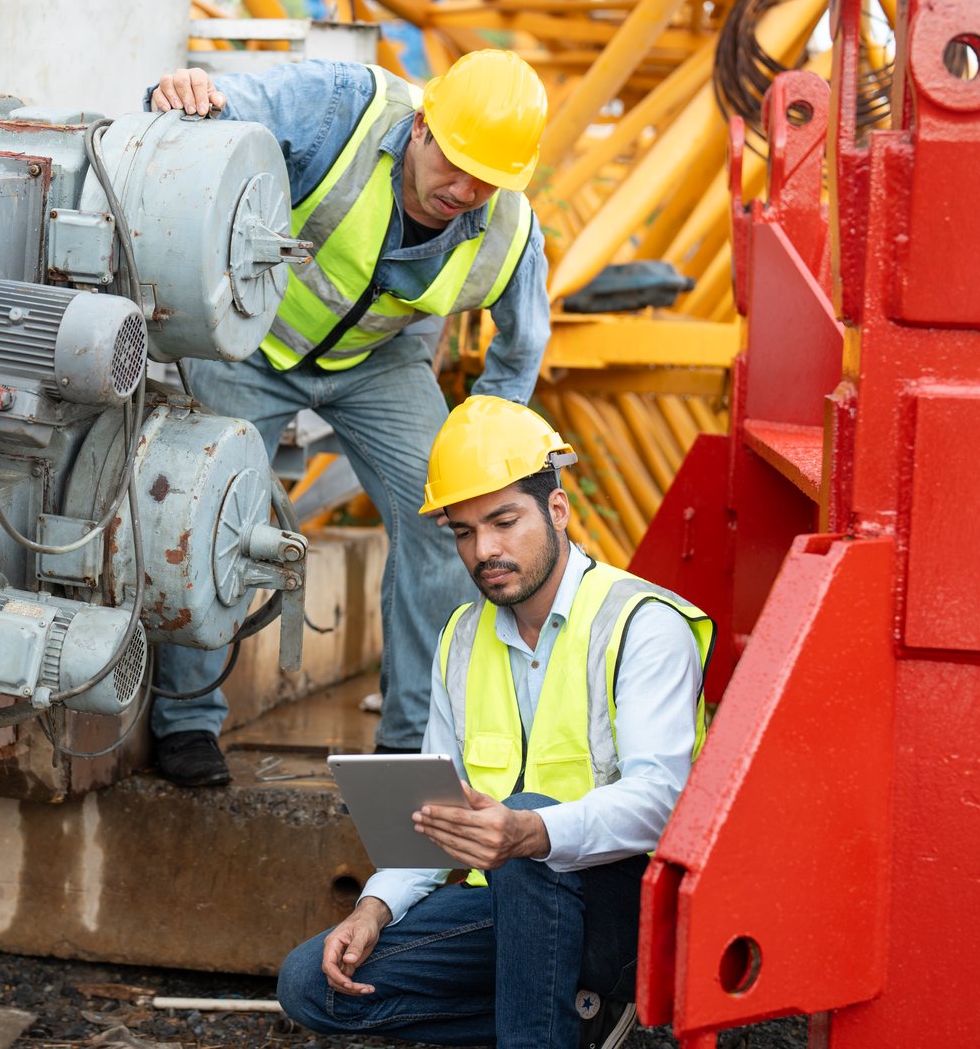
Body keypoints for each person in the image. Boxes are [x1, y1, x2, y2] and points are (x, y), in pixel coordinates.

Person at [147, 51, 554, 786]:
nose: (464, 192)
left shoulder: (509, 234)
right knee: (204, 509)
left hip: (377, 364)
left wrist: (490, 442)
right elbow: (226, 105)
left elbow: (522, 345)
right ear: (422, 126)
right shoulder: (342, 107)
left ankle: (411, 745)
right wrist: (187, 92)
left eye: (487, 181)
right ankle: (186, 723)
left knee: (453, 517)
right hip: (251, 340)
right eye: (455, 164)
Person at [275, 396, 714, 1049]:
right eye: (464, 531)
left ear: (557, 511)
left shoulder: (642, 625)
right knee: (311, 982)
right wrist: (374, 907)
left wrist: (532, 830)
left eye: (505, 521)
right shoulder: (460, 639)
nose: (485, 550)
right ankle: (569, 1017)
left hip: (633, 918)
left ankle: (559, 1016)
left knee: (533, 825)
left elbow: (662, 803)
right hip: (515, 906)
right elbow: (436, 817)